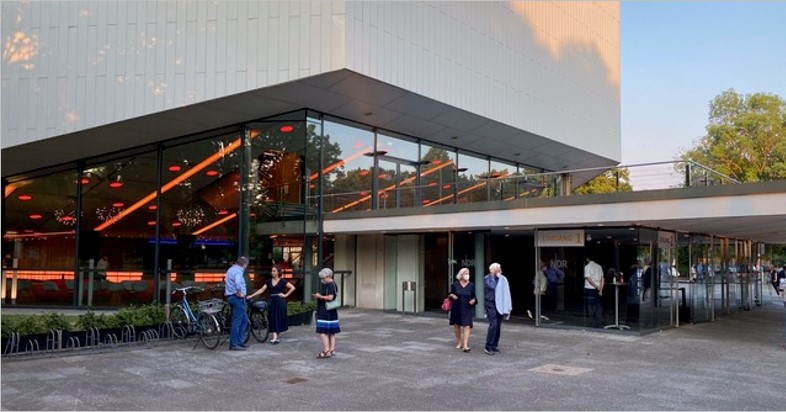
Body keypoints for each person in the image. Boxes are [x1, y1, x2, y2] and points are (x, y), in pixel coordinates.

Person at [246, 265, 294, 344]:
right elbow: (262, 290)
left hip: (280, 301)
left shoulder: (282, 281)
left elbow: (292, 287)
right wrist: (251, 295)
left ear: (278, 272)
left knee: (279, 318)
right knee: (272, 318)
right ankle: (275, 337)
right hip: (272, 301)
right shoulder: (269, 281)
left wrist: (285, 295)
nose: (272, 273)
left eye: (274, 271)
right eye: (272, 271)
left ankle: (277, 336)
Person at [311, 268, 340, 359]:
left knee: (322, 331)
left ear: (327, 276)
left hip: (325, 310)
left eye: (323, 278)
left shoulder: (330, 285)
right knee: (331, 331)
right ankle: (332, 349)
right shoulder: (333, 284)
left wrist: (319, 296)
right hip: (331, 311)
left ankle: (326, 350)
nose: (322, 280)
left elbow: (330, 297)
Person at [483, 262, 511, 356]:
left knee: (498, 325)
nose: (499, 270)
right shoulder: (487, 278)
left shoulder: (503, 279)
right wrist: (493, 275)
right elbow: (492, 286)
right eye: (497, 269)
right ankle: (488, 346)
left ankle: (494, 345)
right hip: (491, 303)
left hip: (500, 304)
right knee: (493, 324)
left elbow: (506, 292)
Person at [448, 267, 476, 352]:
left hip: (467, 308)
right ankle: (459, 342)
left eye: (468, 273)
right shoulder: (455, 284)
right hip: (456, 308)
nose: (467, 275)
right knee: (457, 326)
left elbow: (474, 296)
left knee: (467, 326)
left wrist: (473, 300)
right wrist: (452, 296)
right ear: (461, 275)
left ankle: (465, 345)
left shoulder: (471, 285)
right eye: (465, 273)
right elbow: (450, 294)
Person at [224, 256, 249, 351]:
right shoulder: (238, 272)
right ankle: (234, 344)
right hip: (237, 298)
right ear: (245, 264)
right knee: (238, 321)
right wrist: (239, 293)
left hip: (230, 297)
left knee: (244, 320)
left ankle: (239, 341)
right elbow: (238, 283)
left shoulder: (230, 269)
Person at [583, 255, 604, 328]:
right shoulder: (599, 266)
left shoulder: (587, 267)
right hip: (598, 288)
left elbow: (589, 279)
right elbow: (602, 278)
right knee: (598, 305)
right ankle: (599, 322)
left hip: (589, 288)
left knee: (590, 305)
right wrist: (600, 289)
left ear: (587, 258)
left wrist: (595, 286)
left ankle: (592, 323)